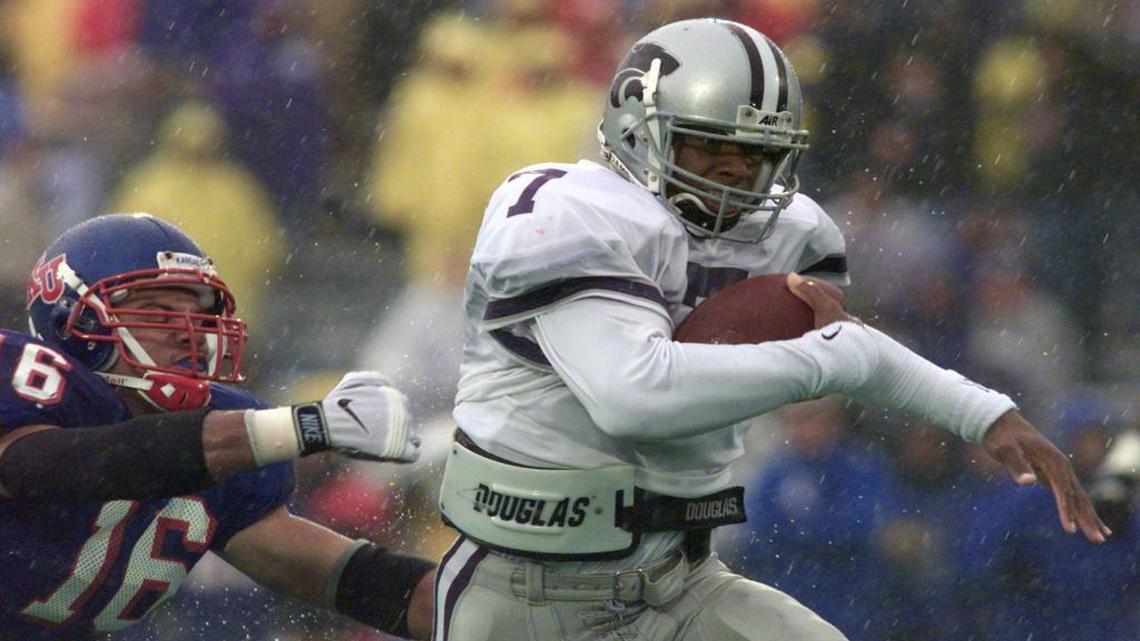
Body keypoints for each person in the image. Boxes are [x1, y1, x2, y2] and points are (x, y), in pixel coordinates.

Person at [433, 18, 1109, 641]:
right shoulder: (565, 210)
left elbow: (847, 352)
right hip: (525, 591)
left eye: (755, 153)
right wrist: (830, 361)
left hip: (681, 579)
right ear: (639, 128)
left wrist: (985, 414)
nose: (736, 174)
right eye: (711, 148)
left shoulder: (786, 233)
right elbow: (633, 394)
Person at [0, 213, 436, 640]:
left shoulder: (222, 434)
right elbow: (44, 465)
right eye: (156, 309)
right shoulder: (29, 382)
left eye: (199, 313)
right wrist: (303, 427)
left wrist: (472, 603)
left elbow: (341, 576)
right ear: (74, 325)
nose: (187, 331)